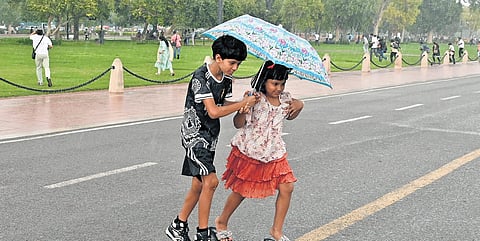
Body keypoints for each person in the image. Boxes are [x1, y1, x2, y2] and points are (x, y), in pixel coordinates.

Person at [165, 35, 259, 241]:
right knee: (212, 181)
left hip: (210, 137)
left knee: (199, 184)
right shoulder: (201, 77)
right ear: (218, 58)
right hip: (194, 136)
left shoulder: (226, 80)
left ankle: (178, 225)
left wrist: (244, 103)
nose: (235, 67)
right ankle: (203, 233)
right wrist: (241, 103)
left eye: (238, 64)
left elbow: (224, 105)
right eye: (232, 63)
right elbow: (214, 111)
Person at [214, 60, 304, 241]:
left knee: (287, 187)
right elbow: (238, 124)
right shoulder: (254, 98)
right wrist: (242, 109)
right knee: (242, 190)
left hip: (275, 152)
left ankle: (276, 231)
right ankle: (222, 221)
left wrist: (300, 105)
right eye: (275, 84)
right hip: (251, 151)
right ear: (264, 81)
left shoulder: (285, 99)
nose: (279, 88)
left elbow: (293, 114)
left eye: (282, 84)